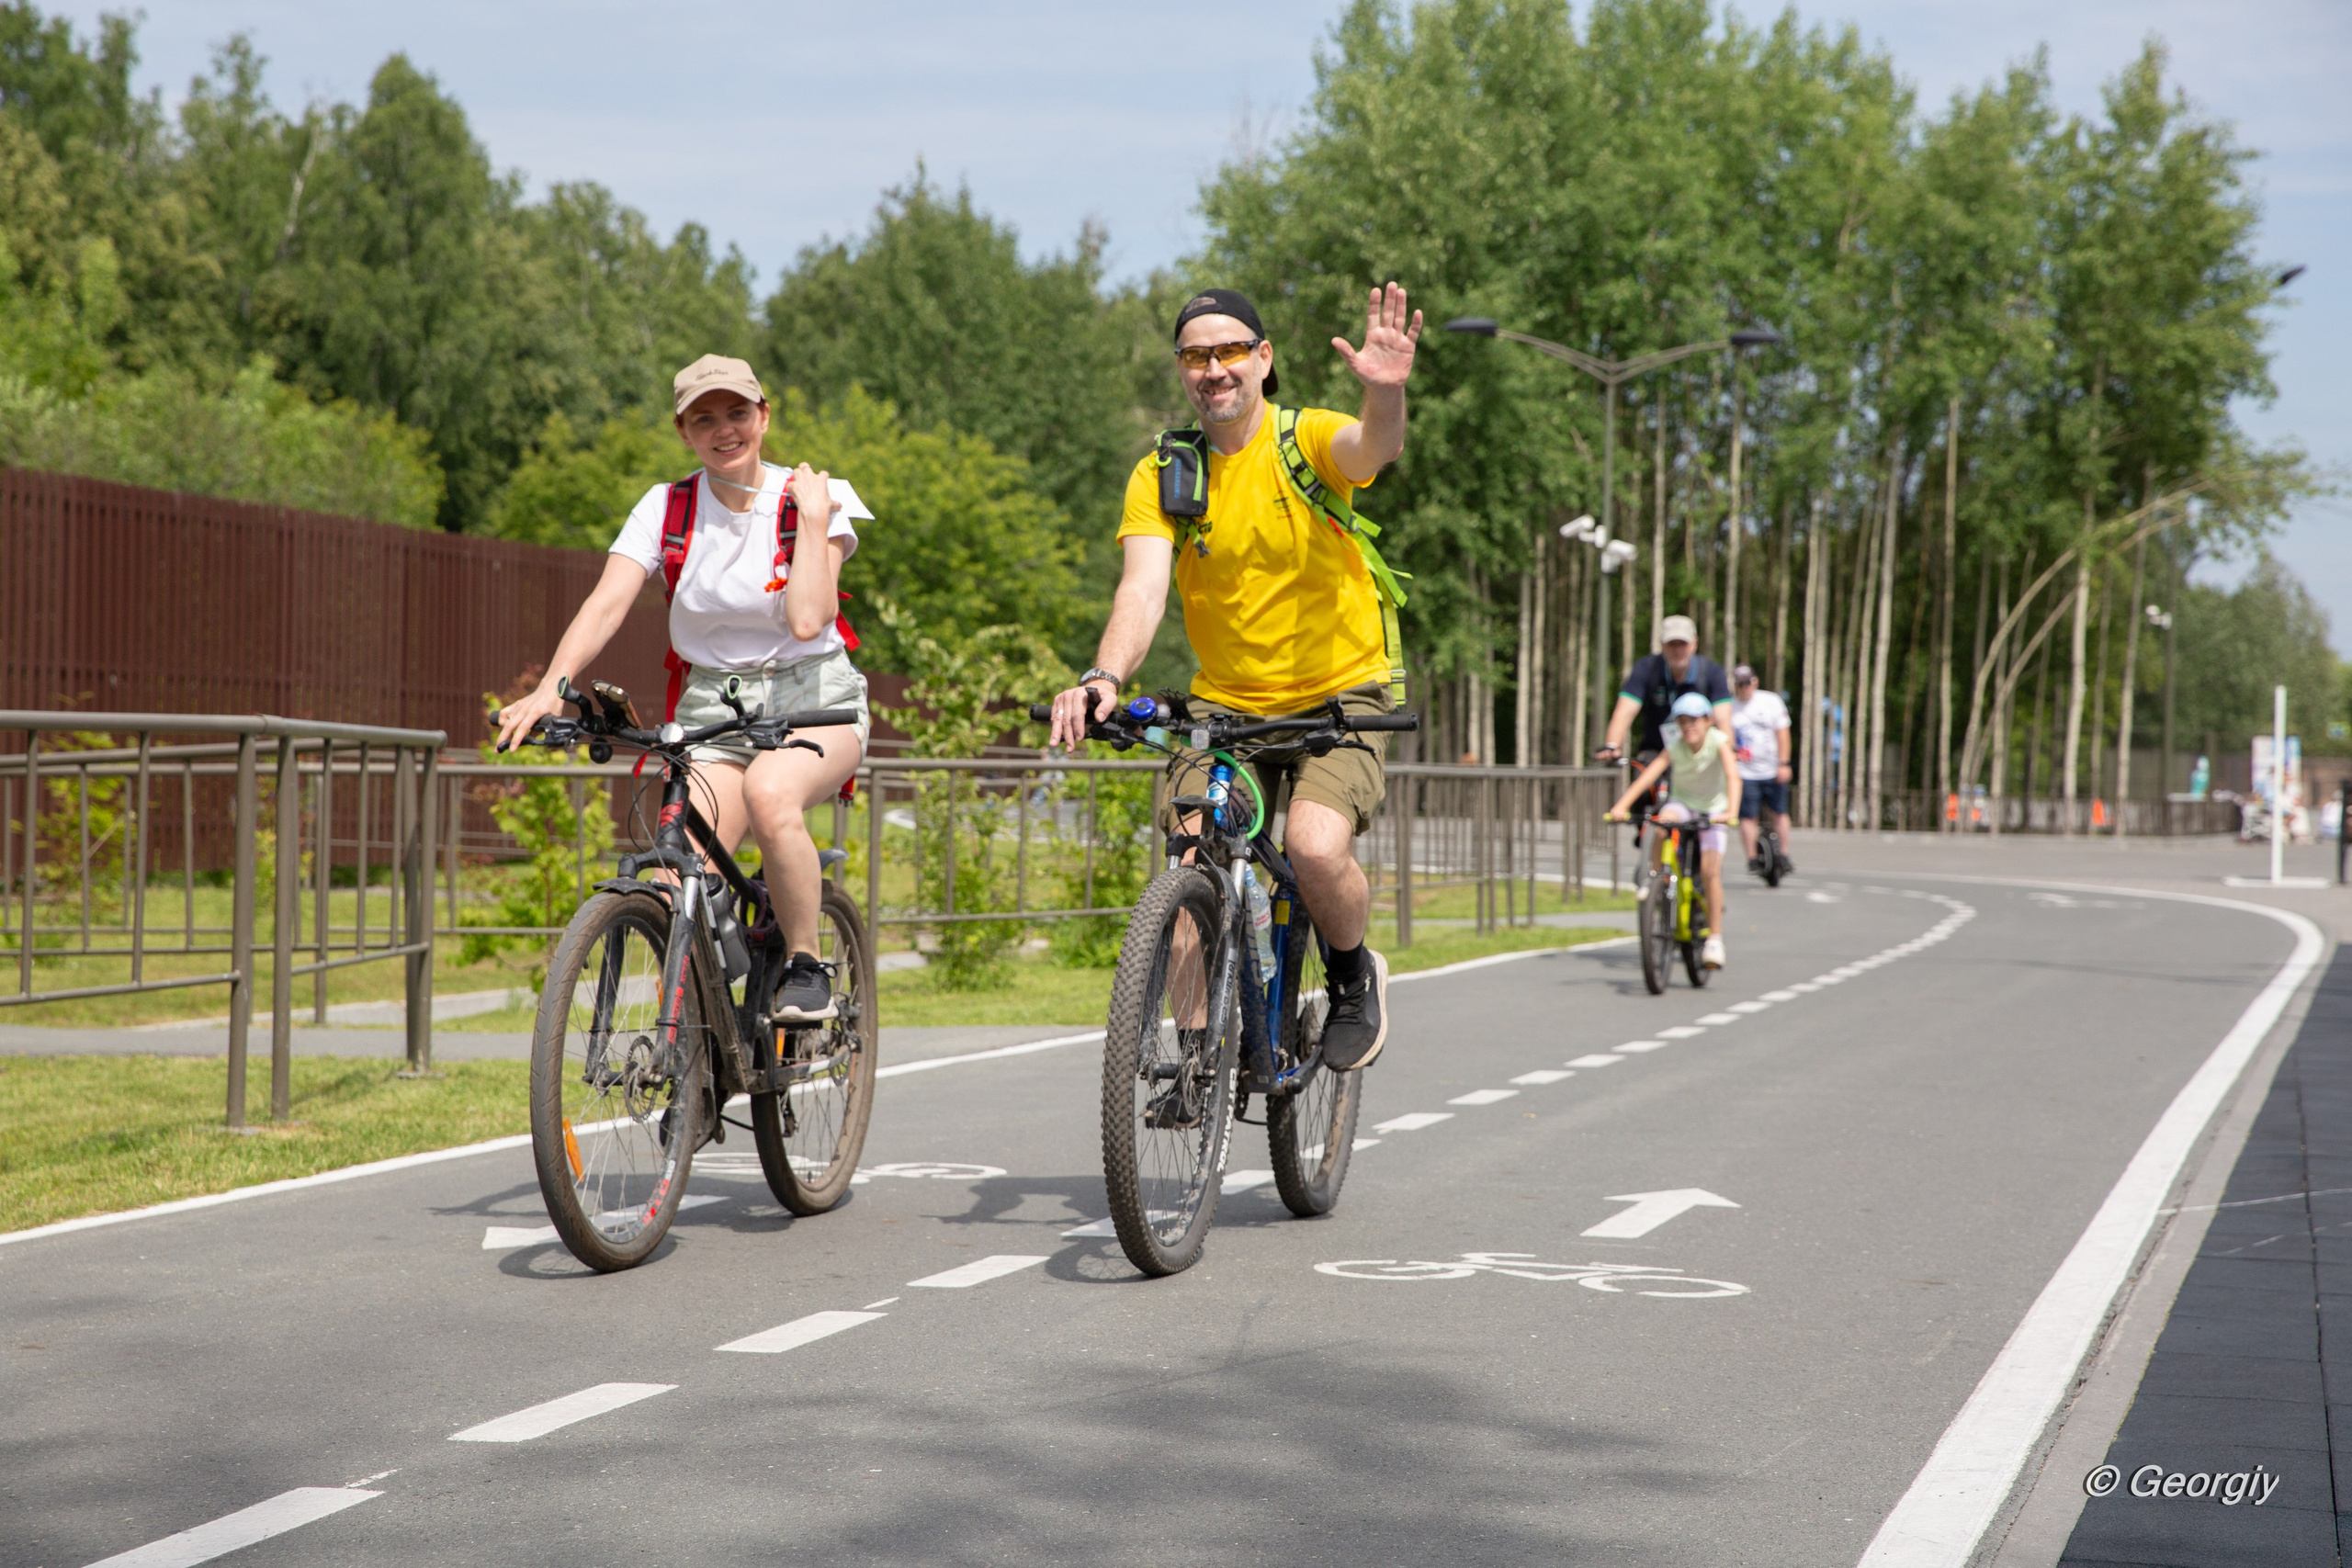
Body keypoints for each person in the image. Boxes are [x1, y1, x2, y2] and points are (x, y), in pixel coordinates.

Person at [1046, 283, 1423, 1070]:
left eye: (1228, 351)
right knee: (1191, 857)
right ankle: (1193, 1052)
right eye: (1195, 355)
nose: (1213, 369)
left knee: (1315, 847)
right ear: (1183, 369)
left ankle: (1354, 979)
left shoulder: (1306, 440)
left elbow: (1372, 449)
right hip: (1227, 709)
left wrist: (1384, 393)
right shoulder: (1165, 471)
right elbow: (1143, 589)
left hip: (1339, 699)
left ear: (1263, 358)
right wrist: (1104, 676)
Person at [492, 354, 872, 1022]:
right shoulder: (667, 506)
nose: (724, 430)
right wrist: (555, 685)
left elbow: (809, 617)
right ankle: (695, 1043)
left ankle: (806, 963)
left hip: (815, 699)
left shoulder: (816, 496)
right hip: (713, 709)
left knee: (770, 792)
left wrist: (813, 520)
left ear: (764, 415)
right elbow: (609, 600)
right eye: (704, 419)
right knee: (676, 878)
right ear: (684, 431)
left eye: (737, 413)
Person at [1606, 693, 1740, 968]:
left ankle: (1715, 938)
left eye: (1693, 720)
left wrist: (1732, 812)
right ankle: (1657, 878)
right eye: (1682, 721)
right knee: (1660, 824)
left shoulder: (1719, 742)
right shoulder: (1676, 746)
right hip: (1684, 804)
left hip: (1714, 810)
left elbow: (1733, 776)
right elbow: (1649, 775)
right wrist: (1621, 806)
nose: (1688, 727)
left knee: (1710, 872)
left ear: (1707, 721)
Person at [1596, 615, 1732, 767]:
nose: (1677, 650)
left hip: (1698, 754)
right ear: (1661, 644)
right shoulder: (1646, 668)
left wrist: (1729, 751)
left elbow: (1723, 720)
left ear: (1695, 643)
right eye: (1671, 644)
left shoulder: (1712, 673)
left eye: (1682, 644)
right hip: (1655, 752)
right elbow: (1624, 712)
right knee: (1643, 782)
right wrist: (1612, 745)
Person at [1729, 663, 1793, 876]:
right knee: (1748, 816)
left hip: (1772, 768)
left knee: (1779, 812)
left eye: (1748, 683)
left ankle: (1783, 854)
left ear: (1755, 682)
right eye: (1740, 684)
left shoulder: (1770, 701)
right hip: (1745, 771)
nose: (1744, 688)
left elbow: (1782, 733)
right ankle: (1752, 858)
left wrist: (1784, 763)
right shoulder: (1730, 707)